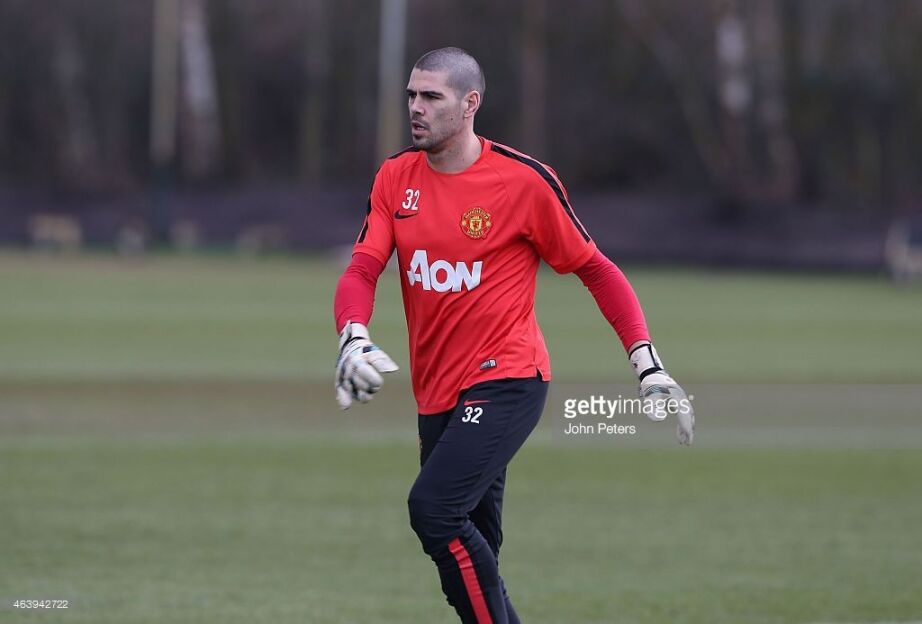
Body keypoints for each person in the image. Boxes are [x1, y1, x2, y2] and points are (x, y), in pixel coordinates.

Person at [332, 46, 694, 624]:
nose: (416, 108)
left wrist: (646, 363)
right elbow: (362, 268)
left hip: (509, 379)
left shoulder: (523, 181)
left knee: (434, 510)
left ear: (470, 103)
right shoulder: (395, 177)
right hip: (437, 391)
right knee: (473, 563)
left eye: (432, 97)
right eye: (411, 95)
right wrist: (352, 335)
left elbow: (598, 270)